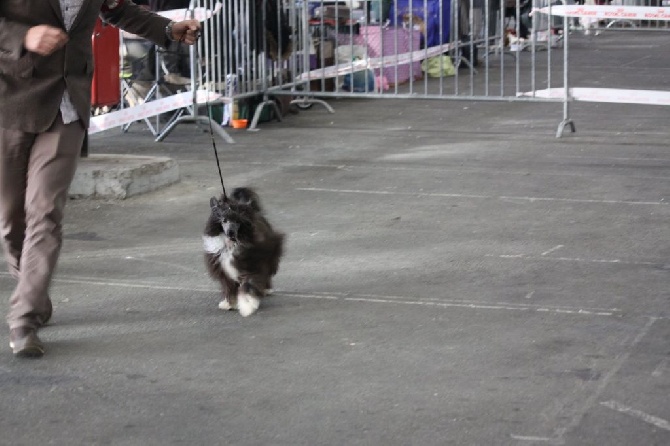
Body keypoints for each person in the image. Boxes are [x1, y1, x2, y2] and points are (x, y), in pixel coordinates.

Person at [0, 0, 200, 358]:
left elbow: (117, 9)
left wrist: (168, 30)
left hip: (67, 103)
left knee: (45, 211)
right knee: (10, 218)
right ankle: (33, 290)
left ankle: (24, 318)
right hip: (9, 102)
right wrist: (23, 35)